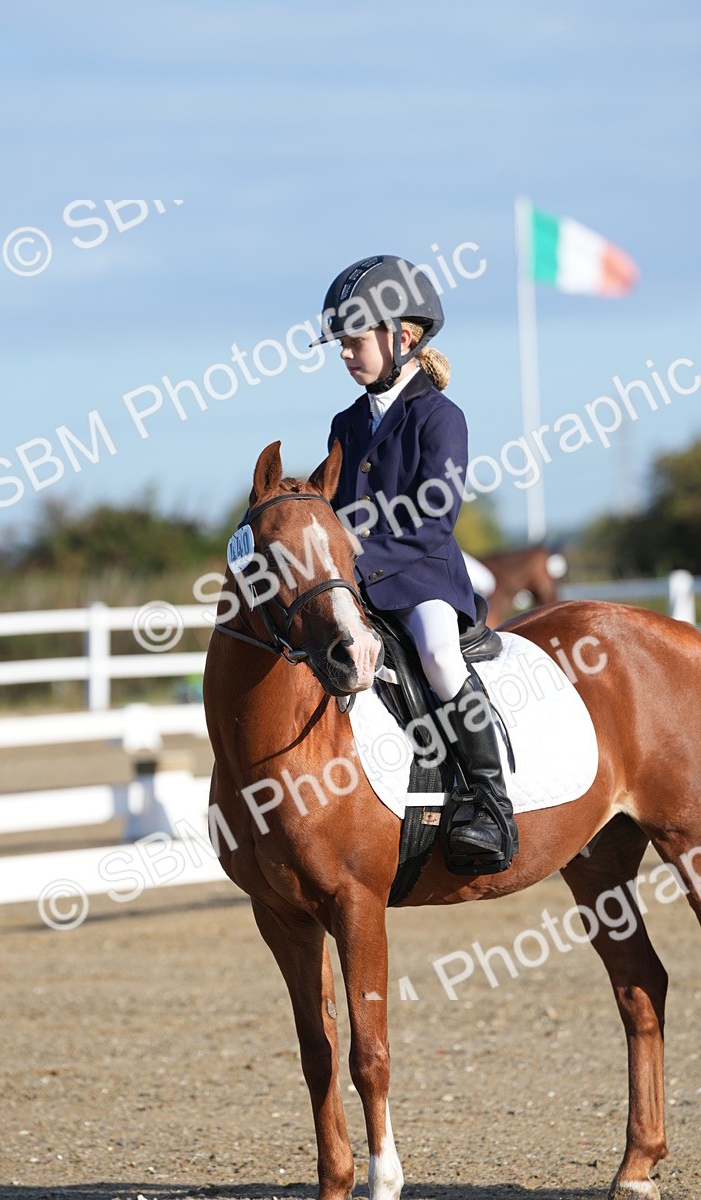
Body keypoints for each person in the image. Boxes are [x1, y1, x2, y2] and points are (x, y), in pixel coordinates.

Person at [310, 254, 517, 870]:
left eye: (355, 340)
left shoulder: (440, 417)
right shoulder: (345, 423)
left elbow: (434, 520)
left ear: (401, 337)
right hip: (353, 584)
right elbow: (332, 509)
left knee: (438, 655)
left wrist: (355, 560)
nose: (345, 353)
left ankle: (491, 803)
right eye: (341, 343)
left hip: (422, 576)